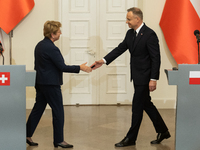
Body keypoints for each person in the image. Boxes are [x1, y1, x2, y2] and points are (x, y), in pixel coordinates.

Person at [91, 7, 170, 147]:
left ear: (137, 19)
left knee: (137, 107)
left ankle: (131, 138)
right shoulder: (130, 33)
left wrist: (153, 79)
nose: (126, 21)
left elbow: (155, 59)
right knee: (146, 104)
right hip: (137, 76)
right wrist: (102, 61)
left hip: (145, 78)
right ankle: (163, 131)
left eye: (128, 19)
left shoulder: (150, 35)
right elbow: (120, 48)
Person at [26, 20, 92, 148]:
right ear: (52, 34)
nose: (60, 33)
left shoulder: (39, 45)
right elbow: (62, 67)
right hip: (51, 85)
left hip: (40, 83)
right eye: (59, 31)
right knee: (58, 112)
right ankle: (59, 140)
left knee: (37, 110)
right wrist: (80, 67)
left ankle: (27, 134)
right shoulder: (52, 48)